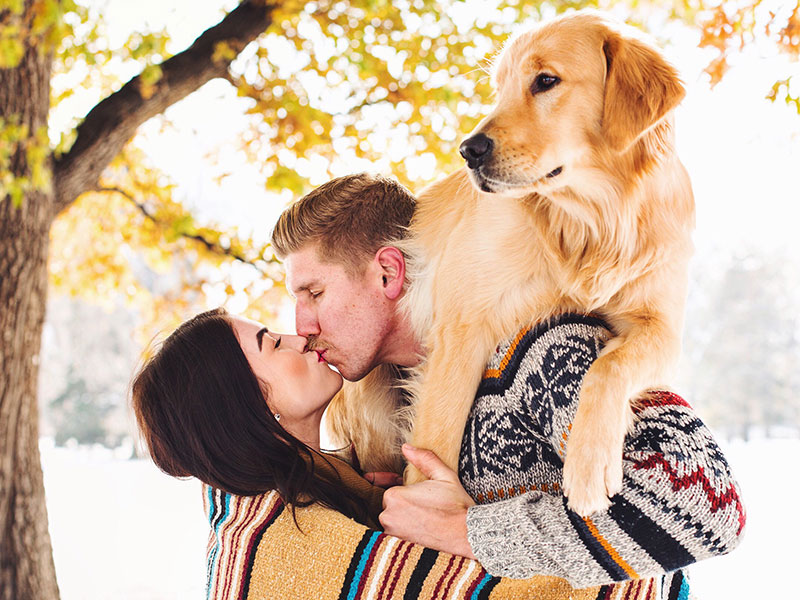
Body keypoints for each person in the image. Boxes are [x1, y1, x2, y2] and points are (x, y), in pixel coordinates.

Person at [270, 173, 746, 595]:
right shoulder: (384, 405)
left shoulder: (536, 347)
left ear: (389, 272)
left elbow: (708, 506)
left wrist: (467, 532)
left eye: (315, 292)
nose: (301, 323)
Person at [132, 308, 581, 600]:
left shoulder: (297, 500)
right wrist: (472, 528)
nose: (299, 336)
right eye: (271, 342)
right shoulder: (294, 551)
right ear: (246, 402)